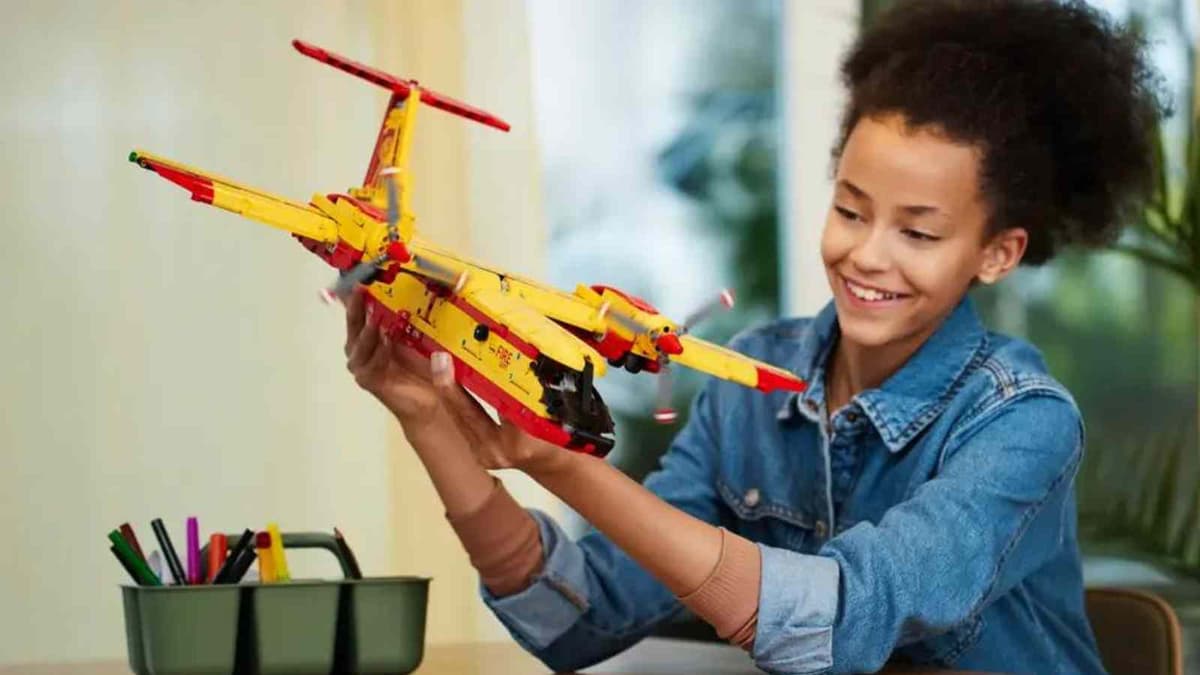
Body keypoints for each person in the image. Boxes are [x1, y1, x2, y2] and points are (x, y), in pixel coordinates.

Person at [341, 0, 1168, 672]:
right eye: (849, 208)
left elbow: (839, 623)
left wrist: (561, 462)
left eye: (919, 233)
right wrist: (428, 420)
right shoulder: (753, 382)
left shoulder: (1023, 424)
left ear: (997, 252)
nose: (865, 254)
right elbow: (575, 620)